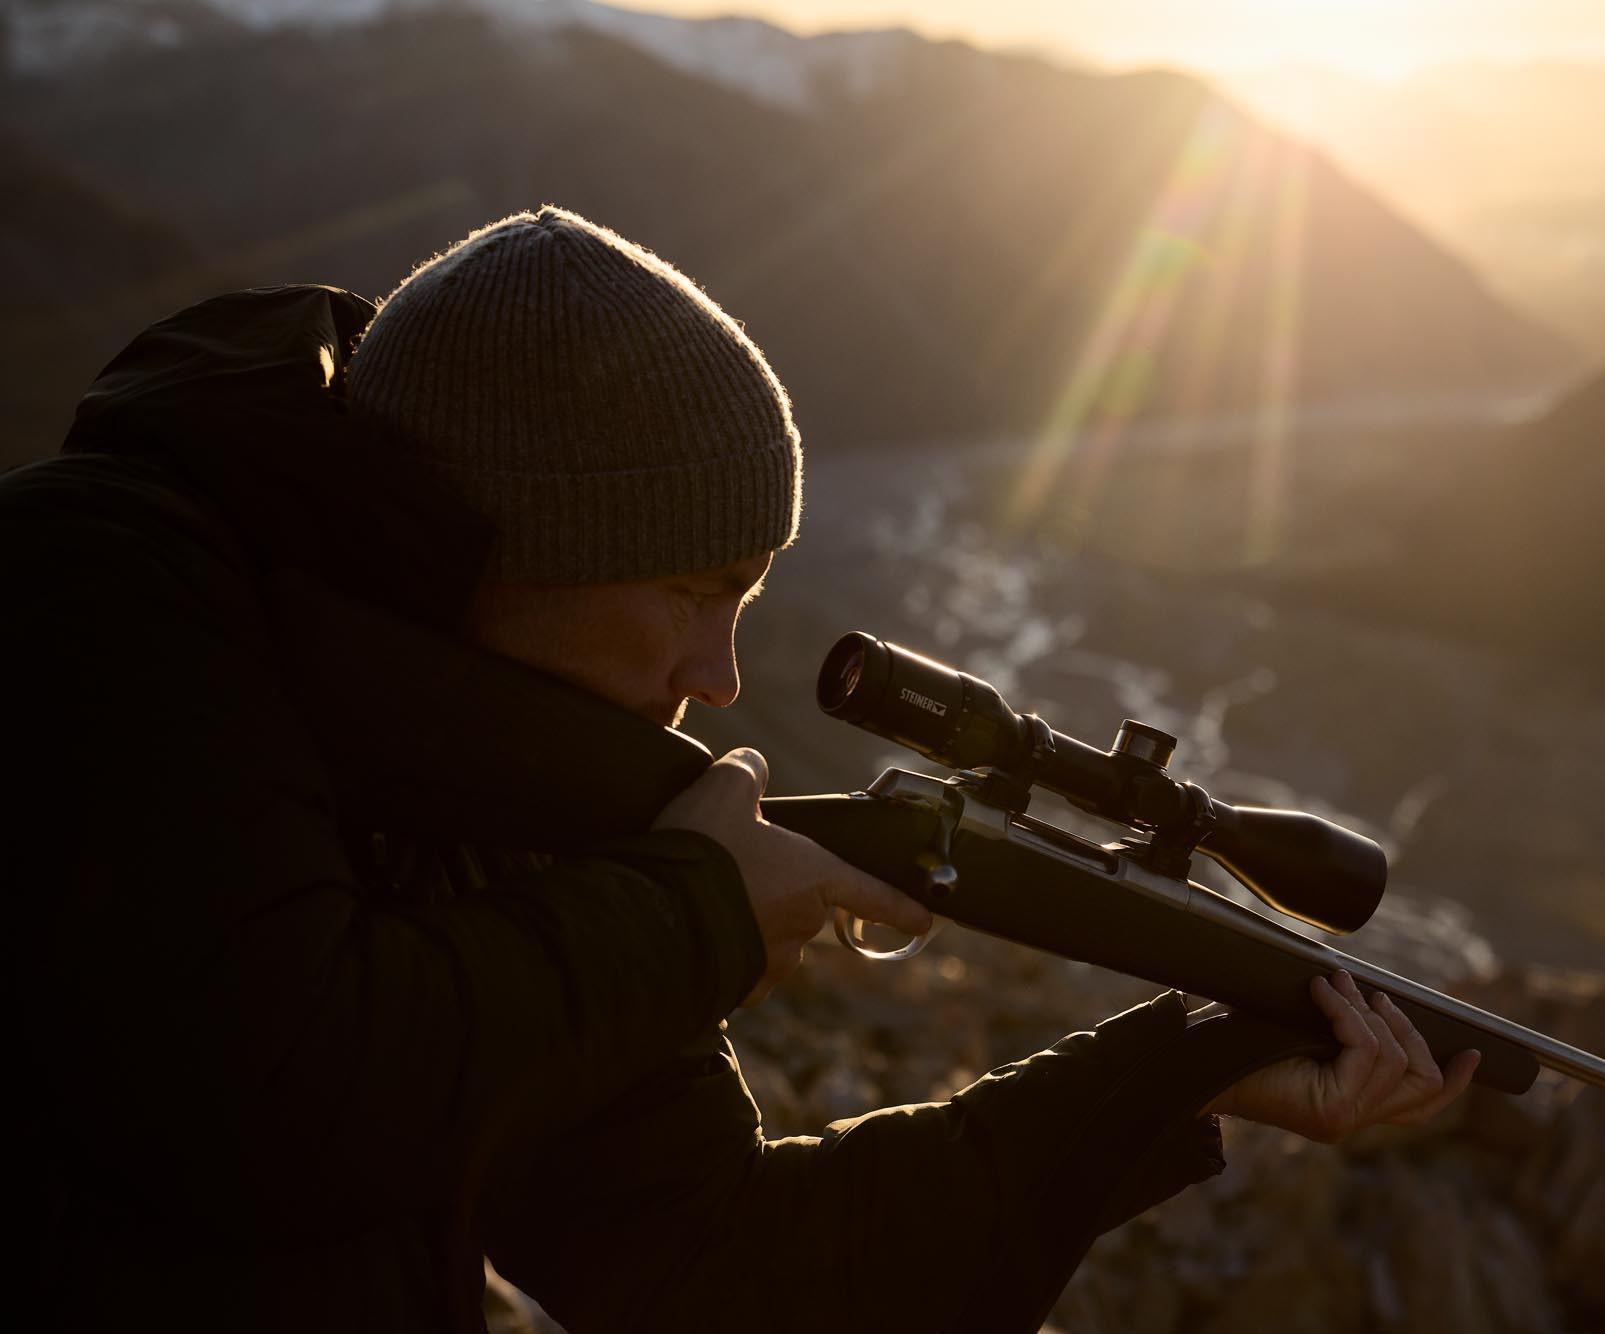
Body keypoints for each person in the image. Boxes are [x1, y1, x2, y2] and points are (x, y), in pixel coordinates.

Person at [4, 206, 1477, 1333]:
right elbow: (260, 1100)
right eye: (696, 590)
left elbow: (717, 1264)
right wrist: (695, 907)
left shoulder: (510, 769)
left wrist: (1179, 1073)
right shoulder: (107, 591)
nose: (715, 680)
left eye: (748, 604)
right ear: (516, 544)